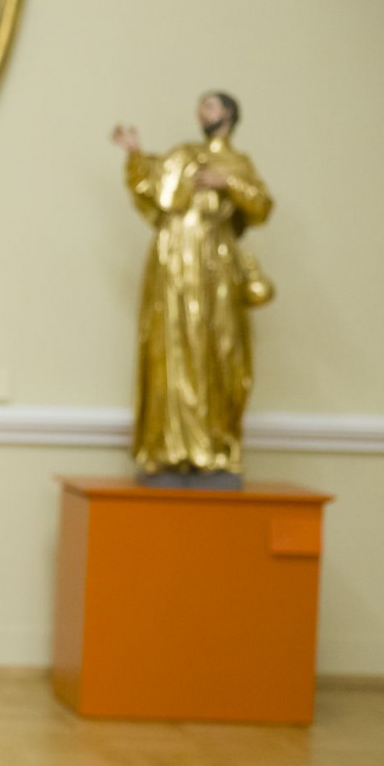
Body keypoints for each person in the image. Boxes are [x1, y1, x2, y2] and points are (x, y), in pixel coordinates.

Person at [111, 91, 275, 484]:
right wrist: (135, 154)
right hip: (172, 262)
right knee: (170, 346)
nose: (202, 112)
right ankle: (168, 446)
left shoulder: (239, 164)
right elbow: (152, 186)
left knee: (219, 350)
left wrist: (228, 181)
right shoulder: (184, 155)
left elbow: (261, 206)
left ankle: (214, 448)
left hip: (216, 267)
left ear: (229, 115)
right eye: (201, 106)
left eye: (211, 106)